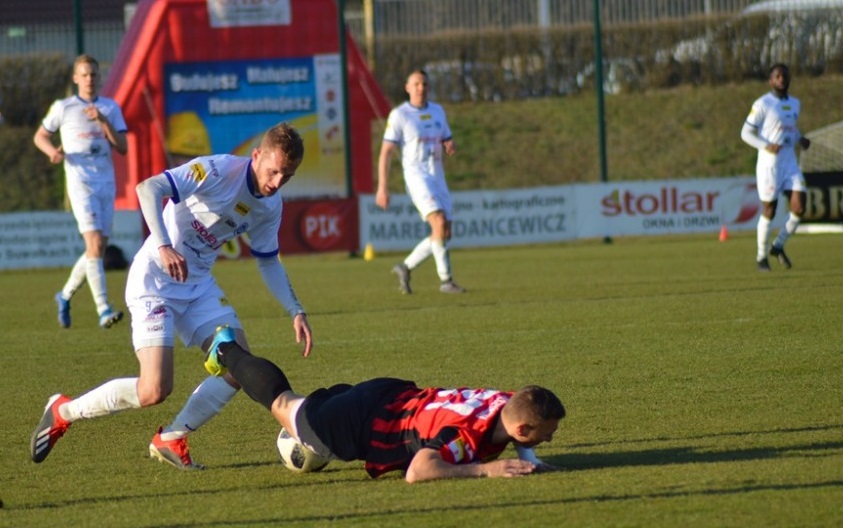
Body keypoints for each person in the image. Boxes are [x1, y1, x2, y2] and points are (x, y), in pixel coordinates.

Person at [30, 123, 314, 470]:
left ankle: (172, 437)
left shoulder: (270, 206)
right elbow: (148, 187)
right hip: (154, 280)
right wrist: (163, 245)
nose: (277, 182)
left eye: (287, 176)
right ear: (256, 156)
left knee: (239, 366)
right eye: (274, 171)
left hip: (198, 285)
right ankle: (63, 411)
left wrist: (295, 309)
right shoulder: (217, 171)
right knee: (154, 390)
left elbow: (268, 261)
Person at [200, 325, 565, 483]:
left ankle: (319, 404)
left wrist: (529, 458)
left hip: (388, 394)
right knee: (282, 401)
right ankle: (226, 348)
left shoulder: (506, 401)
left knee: (315, 404)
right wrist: (486, 470)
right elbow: (418, 471)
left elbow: (520, 418)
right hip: (356, 423)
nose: (550, 438)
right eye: (546, 434)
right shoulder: (465, 435)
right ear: (523, 429)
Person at [34, 54, 128, 328]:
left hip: (106, 183)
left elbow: (123, 147)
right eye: (84, 75)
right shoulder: (64, 107)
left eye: (93, 74)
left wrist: (103, 121)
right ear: (76, 78)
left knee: (96, 248)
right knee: (95, 244)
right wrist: (52, 152)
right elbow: (40, 136)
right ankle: (103, 309)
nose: (89, 79)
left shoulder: (110, 107)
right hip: (80, 184)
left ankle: (64, 296)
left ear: (99, 77)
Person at [377, 70, 465, 294]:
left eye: (424, 84)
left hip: (437, 175)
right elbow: (386, 152)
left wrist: (450, 145)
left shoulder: (437, 111)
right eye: (416, 84)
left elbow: (447, 138)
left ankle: (405, 267)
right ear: (407, 88)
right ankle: (446, 281)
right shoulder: (400, 115)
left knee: (444, 232)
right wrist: (382, 187)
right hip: (417, 176)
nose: (421, 88)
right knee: (438, 222)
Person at [740, 63, 811, 272]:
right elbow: (745, 133)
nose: (781, 79)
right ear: (771, 81)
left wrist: (799, 138)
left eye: (784, 76)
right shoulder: (762, 103)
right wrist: (765, 145)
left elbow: (788, 129)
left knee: (799, 207)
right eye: (777, 76)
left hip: (790, 162)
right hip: (769, 165)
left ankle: (777, 245)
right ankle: (761, 257)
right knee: (769, 210)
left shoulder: (795, 104)